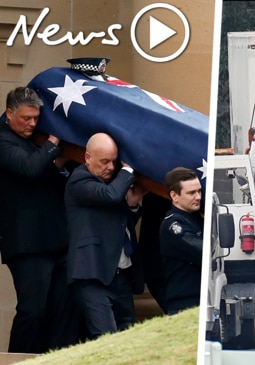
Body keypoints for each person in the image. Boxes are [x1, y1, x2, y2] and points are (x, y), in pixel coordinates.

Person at [0, 87, 79, 353]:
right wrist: (55, 141)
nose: (32, 124)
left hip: (57, 240)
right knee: (32, 311)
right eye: (26, 118)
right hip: (28, 244)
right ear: (9, 113)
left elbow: (49, 179)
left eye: (36, 118)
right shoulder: (3, 139)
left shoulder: (33, 142)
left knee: (62, 314)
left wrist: (59, 161)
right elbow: (29, 170)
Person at [65, 132, 146, 339]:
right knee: (105, 337)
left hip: (120, 275)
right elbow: (110, 197)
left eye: (113, 161)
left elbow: (117, 224)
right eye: (104, 161)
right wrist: (128, 168)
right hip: (92, 274)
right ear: (87, 158)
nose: (110, 167)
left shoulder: (113, 184)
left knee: (127, 336)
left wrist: (133, 205)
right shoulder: (79, 180)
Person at [159, 167, 204, 314]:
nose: (198, 197)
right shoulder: (173, 225)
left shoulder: (197, 217)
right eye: (191, 193)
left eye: (199, 191)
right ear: (174, 196)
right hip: (185, 303)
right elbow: (203, 251)